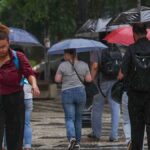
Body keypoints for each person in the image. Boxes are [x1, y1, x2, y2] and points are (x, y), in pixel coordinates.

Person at [0, 24, 40, 150]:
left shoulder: (18, 57)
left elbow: (29, 73)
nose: (1, 50)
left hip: (15, 98)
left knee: (15, 134)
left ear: (9, 43)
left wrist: (34, 85)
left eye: (3, 47)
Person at [118, 23, 150, 150]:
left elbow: (121, 74)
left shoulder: (130, 49)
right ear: (146, 33)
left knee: (136, 130)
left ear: (134, 34)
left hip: (135, 96)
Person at [55, 49, 92, 150]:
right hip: (80, 92)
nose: (64, 56)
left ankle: (71, 138)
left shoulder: (62, 65)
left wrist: (64, 77)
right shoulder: (84, 65)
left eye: (65, 54)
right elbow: (89, 79)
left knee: (69, 118)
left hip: (67, 93)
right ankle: (78, 143)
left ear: (69, 54)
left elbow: (57, 79)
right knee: (78, 119)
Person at [88, 49, 120, 142]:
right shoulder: (116, 48)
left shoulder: (97, 49)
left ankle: (96, 133)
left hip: (101, 82)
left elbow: (94, 66)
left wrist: (90, 81)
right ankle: (114, 135)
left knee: (97, 108)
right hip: (115, 81)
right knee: (115, 108)